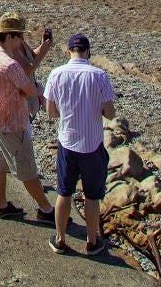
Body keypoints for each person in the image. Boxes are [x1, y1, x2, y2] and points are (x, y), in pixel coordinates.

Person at [44, 33, 118, 256]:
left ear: (68, 52)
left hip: (67, 141)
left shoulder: (56, 74)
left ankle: (59, 239)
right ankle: (92, 240)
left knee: (63, 193)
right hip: (92, 144)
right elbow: (110, 113)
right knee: (92, 197)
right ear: (88, 52)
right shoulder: (99, 75)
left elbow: (50, 113)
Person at [0, 13, 55, 222]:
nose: (21, 40)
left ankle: (1, 205)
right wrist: (37, 90)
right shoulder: (10, 65)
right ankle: (46, 210)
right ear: (8, 37)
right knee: (26, 169)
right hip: (14, 122)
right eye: (18, 36)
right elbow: (30, 89)